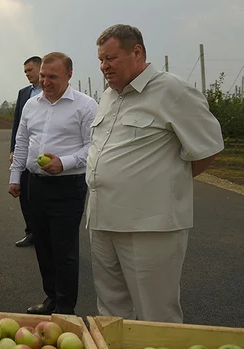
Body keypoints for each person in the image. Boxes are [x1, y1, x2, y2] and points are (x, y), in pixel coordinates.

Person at [88, 24, 223, 323]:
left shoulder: (172, 91)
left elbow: (208, 148)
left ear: (137, 51)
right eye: (101, 60)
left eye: (110, 58)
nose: (104, 66)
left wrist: (163, 184)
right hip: (102, 219)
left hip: (149, 225)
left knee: (155, 313)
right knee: (111, 310)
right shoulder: (109, 96)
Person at [9, 52, 97, 315]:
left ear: (69, 75)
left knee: (64, 250)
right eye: (43, 76)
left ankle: (65, 308)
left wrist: (65, 162)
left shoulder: (85, 106)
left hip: (67, 186)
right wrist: (15, 178)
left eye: (53, 77)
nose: (45, 82)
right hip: (35, 184)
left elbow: (94, 147)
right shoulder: (31, 104)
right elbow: (22, 142)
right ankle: (51, 299)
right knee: (44, 247)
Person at [10, 56, 42, 248]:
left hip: (43, 154)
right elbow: (17, 124)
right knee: (24, 193)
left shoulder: (50, 91)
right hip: (24, 152)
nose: (28, 75)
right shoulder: (24, 93)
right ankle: (31, 232)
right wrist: (13, 149)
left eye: (30, 70)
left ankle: (43, 231)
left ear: (40, 68)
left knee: (39, 193)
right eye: (25, 72)